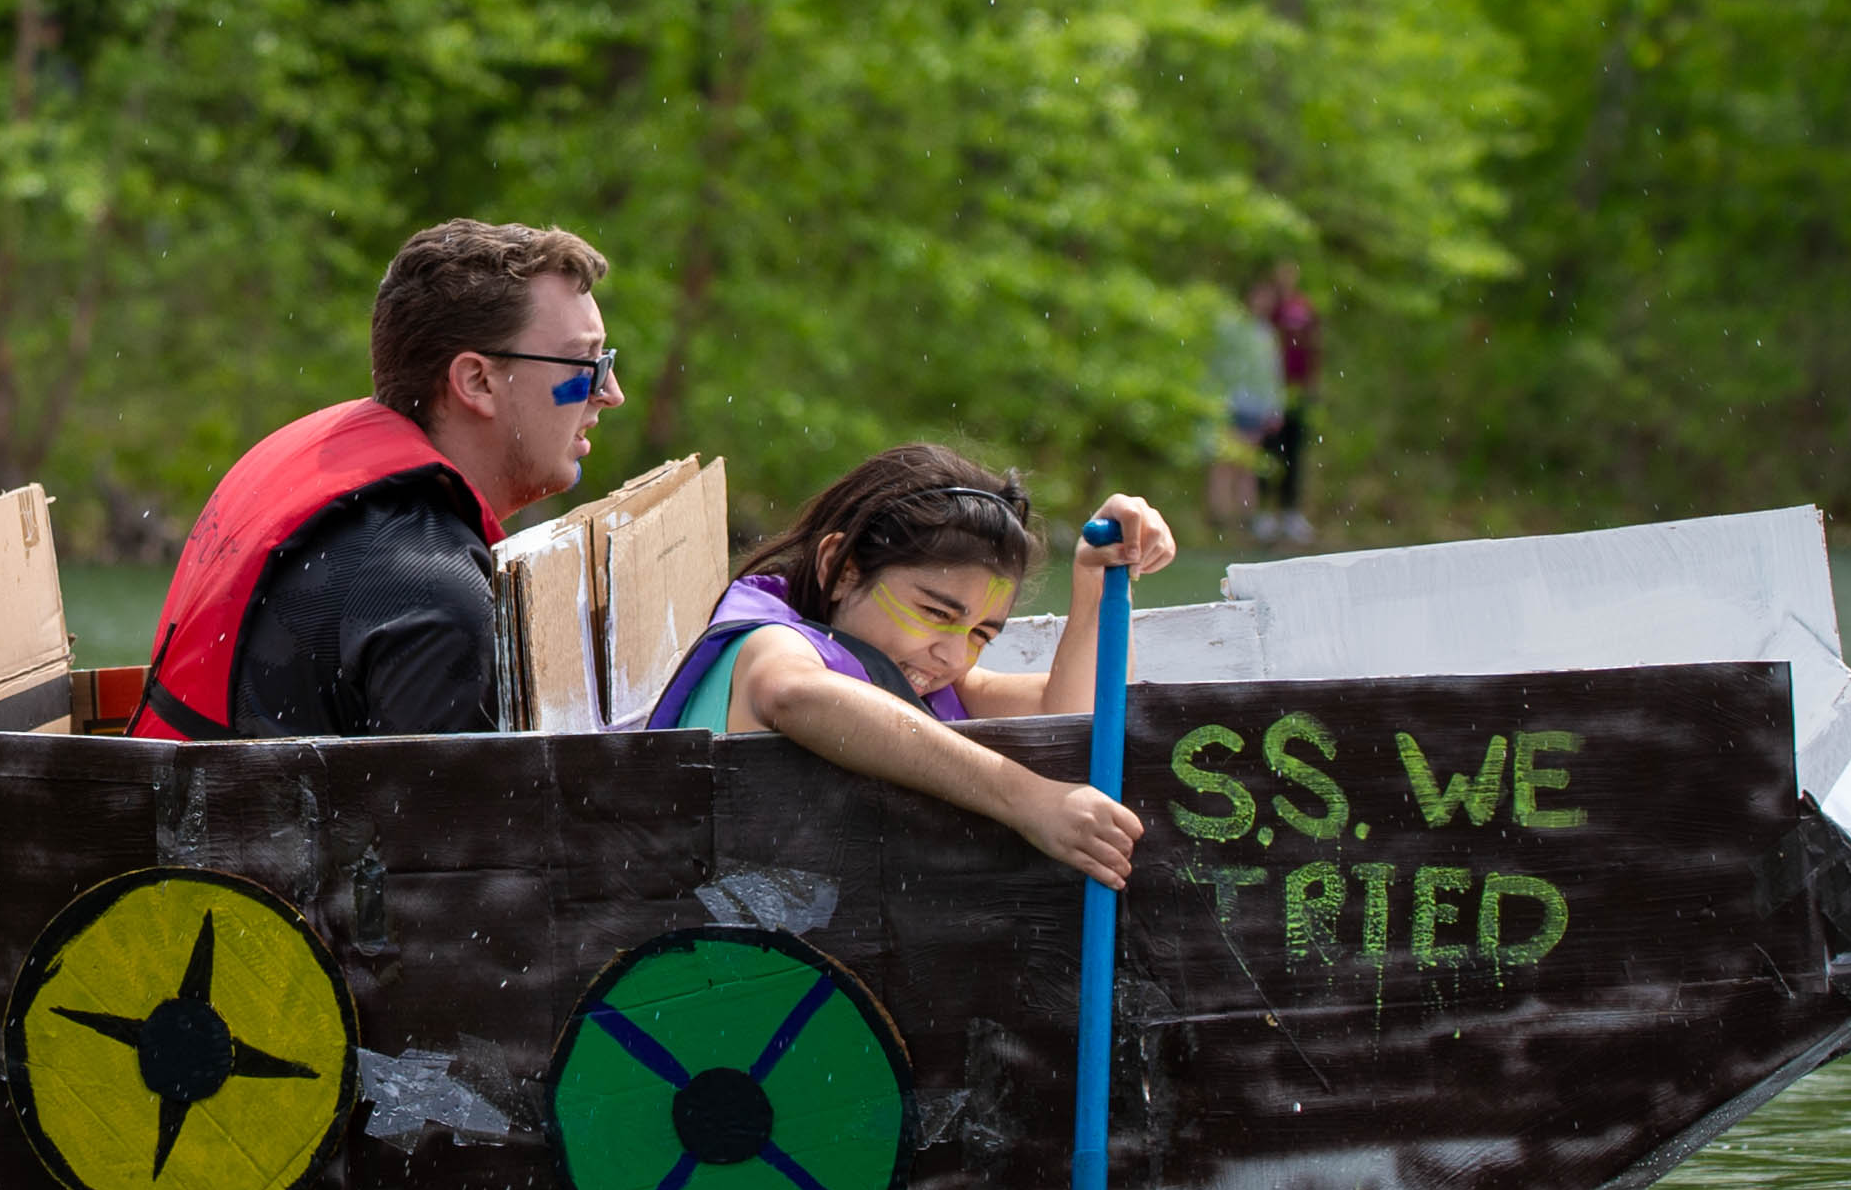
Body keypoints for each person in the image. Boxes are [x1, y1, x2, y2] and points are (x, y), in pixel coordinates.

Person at [130, 217, 613, 743]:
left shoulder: (322, 468)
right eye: (582, 363)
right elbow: (461, 826)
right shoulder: (434, 591)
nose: (610, 391)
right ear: (477, 382)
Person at [639, 447, 1174, 882]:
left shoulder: (935, 677)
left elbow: (1075, 722)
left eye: (981, 635)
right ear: (842, 569)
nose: (954, 655)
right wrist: (1027, 799)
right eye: (936, 613)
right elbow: (795, 693)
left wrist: (1099, 582)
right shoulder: (770, 644)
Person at [1247, 258, 1323, 545]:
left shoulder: (1303, 307)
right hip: (1267, 394)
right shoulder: (1268, 311)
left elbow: (1314, 344)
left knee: (1294, 452)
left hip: (1296, 391)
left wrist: (1312, 383)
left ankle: (1290, 512)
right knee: (1266, 454)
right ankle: (1262, 513)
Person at [1203, 294, 1285, 548]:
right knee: (1225, 464)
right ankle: (1221, 519)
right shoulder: (1230, 328)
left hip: (1253, 408)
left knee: (1246, 464)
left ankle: (1245, 521)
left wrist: (1274, 407)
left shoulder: (1266, 334)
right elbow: (1217, 366)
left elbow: (1273, 373)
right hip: (1229, 405)